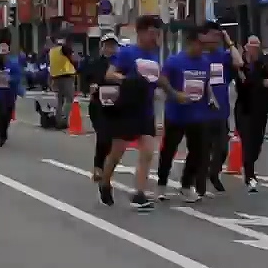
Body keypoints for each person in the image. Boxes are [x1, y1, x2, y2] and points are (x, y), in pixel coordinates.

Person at [100, 15, 174, 211]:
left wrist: (172, 93)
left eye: (157, 34)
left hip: (146, 108)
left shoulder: (155, 54)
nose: (155, 38)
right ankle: (105, 181)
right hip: (127, 107)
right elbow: (110, 74)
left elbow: (157, 78)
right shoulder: (127, 53)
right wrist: (127, 80)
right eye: (152, 33)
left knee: (148, 151)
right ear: (140, 32)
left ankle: (139, 194)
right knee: (117, 152)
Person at [156, 26, 219, 204]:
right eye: (200, 45)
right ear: (190, 43)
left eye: (205, 45)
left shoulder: (206, 62)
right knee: (169, 150)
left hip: (198, 115)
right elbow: (162, 80)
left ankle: (186, 185)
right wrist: (175, 94)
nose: (203, 49)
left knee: (197, 152)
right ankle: (161, 184)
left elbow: (207, 84)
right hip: (176, 114)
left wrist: (212, 99)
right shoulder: (175, 61)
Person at [200, 22, 243, 193]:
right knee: (202, 148)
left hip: (221, 110)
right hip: (201, 111)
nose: (216, 40)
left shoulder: (223, 56)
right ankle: (199, 181)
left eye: (219, 37)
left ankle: (214, 172)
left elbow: (239, 62)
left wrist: (229, 41)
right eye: (213, 36)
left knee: (222, 148)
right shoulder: (198, 56)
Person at [234, 35, 268, 192]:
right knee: (247, 142)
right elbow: (243, 82)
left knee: (257, 143)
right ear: (246, 47)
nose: (253, 50)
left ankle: (250, 165)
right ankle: (249, 176)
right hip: (244, 107)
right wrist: (261, 82)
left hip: (261, 108)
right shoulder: (240, 63)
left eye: (256, 47)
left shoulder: (266, 61)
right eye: (250, 47)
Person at [84, 34, 121, 182]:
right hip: (98, 104)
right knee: (103, 135)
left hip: (117, 105)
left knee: (113, 140)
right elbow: (85, 78)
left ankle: (106, 166)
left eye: (113, 46)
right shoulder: (94, 63)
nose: (110, 49)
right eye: (107, 45)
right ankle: (98, 167)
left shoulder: (122, 63)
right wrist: (90, 86)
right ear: (102, 47)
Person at [0, 38, 24, 147]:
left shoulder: (13, 63)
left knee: (7, 114)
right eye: (1, 50)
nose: (3, 52)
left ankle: (4, 131)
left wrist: (10, 79)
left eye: (5, 50)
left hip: (9, 92)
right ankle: (1, 134)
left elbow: (18, 77)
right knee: (0, 113)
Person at [48, 34, 78, 129]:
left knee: (60, 100)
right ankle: (63, 120)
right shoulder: (64, 49)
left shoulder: (52, 51)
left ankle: (57, 120)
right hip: (66, 77)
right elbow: (73, 60)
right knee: (69, 99)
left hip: (55, 77)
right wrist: (77, 66)